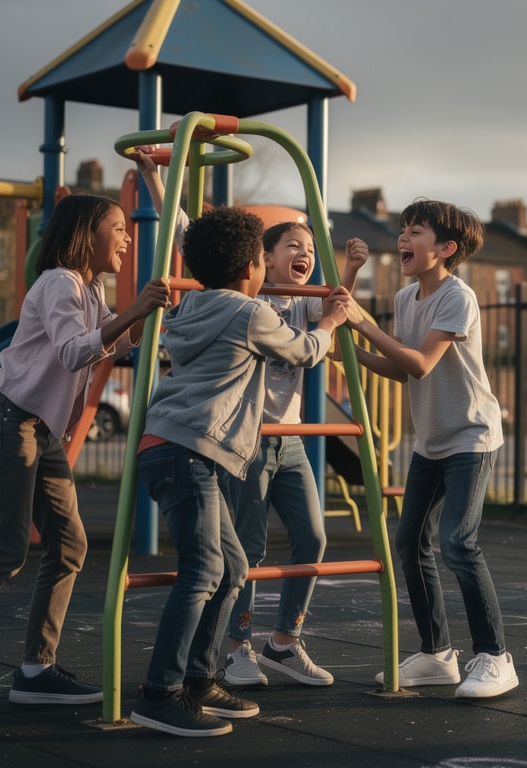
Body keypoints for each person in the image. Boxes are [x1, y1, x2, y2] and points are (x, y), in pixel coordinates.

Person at [0, 194, 170, 723]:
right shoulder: (58, 283)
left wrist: (148, 316)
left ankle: (36, 670)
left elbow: (112, 349)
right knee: (6, 547)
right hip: (9, 418)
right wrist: (136, 309)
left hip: (40, 428)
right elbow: (75, 351)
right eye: (117, 228)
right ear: (84, 234)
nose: (125, 238)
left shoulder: (89, 289)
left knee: (69, 544)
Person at [133, 149, 365, 688]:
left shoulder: (212, 301)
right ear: (256, 260)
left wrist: (155, 177)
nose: (304, 255)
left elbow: (191, 242)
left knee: (255, 557)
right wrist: (330, 322)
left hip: (251, 439)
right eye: (292, 247)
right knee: (220, 564)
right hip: (226, 441)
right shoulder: (252, 308)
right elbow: (308, 349)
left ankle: (253, 655)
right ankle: (195, 672)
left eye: (312, 248)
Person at [333, 198, 518, 699]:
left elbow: (421, 364)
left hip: (471, 436)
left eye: (415, 231)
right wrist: (353, 349)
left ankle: (496, 657)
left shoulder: (458, 297)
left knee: (458, 541)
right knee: (409, 543)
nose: (403, 239)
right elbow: (399, 367)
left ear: (446, 249)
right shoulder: (406, 298)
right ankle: (437, 654)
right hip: (432, 441)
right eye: (403, 229)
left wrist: (360, 324)